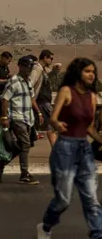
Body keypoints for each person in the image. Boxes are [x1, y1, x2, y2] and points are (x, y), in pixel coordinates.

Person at [37, 58, 102, 239]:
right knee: (63, 200)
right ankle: (46, 226)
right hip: (65, 148)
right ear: (78, 72)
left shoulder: (92, 97)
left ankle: (98, 233)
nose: (92, 75)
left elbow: (89, 127)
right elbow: (53, 118)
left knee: (91, 198)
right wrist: (57, 124)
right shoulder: (66, 91)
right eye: (87, 71)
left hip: (84, 149)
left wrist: (99, 139)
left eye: (93, 71)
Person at [0, 56, 44, 185]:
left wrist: (39, 112)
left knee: (21, 146)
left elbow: (31, 98)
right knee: (25, 144)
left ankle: (0, 164)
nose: (28, 69)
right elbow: (5, 99)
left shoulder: (27, 82)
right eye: (26, 67)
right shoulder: (14, 81)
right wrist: (4, 118)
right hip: (17, 117)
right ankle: (24, 174)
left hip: (28, 118)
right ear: (20, 66)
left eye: (30, 67)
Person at [29, 50, 61, 146]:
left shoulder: (43, 69)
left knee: (51, 126)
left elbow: (49, 78)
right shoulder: (37, 68)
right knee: (54, 123)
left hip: (44, 101)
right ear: (45, 58)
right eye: (51, 58)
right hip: (41, 101)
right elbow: (30, 84)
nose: (51, 60)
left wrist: (55, 70)